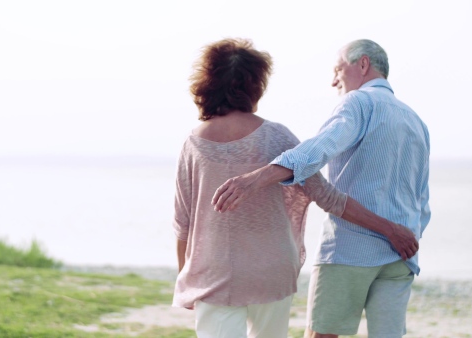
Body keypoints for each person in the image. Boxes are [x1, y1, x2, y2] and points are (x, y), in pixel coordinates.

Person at [173, 38, 419, 338]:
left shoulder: (194, 144)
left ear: (207, 82)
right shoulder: (277, 137)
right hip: (271, 270)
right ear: (256, 84)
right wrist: (390, 228)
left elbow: (183, 224)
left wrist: (185, 277)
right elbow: (329, 197)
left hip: (213, 273)